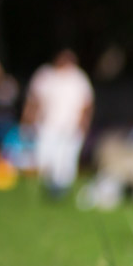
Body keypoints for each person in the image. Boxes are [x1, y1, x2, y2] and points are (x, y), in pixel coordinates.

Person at [23, 49, 94, 198]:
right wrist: (28, 119)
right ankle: (49, 187)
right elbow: (34, 99)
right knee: (46, 158)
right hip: (48, 125)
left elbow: (87, 104)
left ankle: (62, 190)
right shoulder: (45, 75)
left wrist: (83, 124)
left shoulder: (79, 79)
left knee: (66, 160)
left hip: (70, 126)